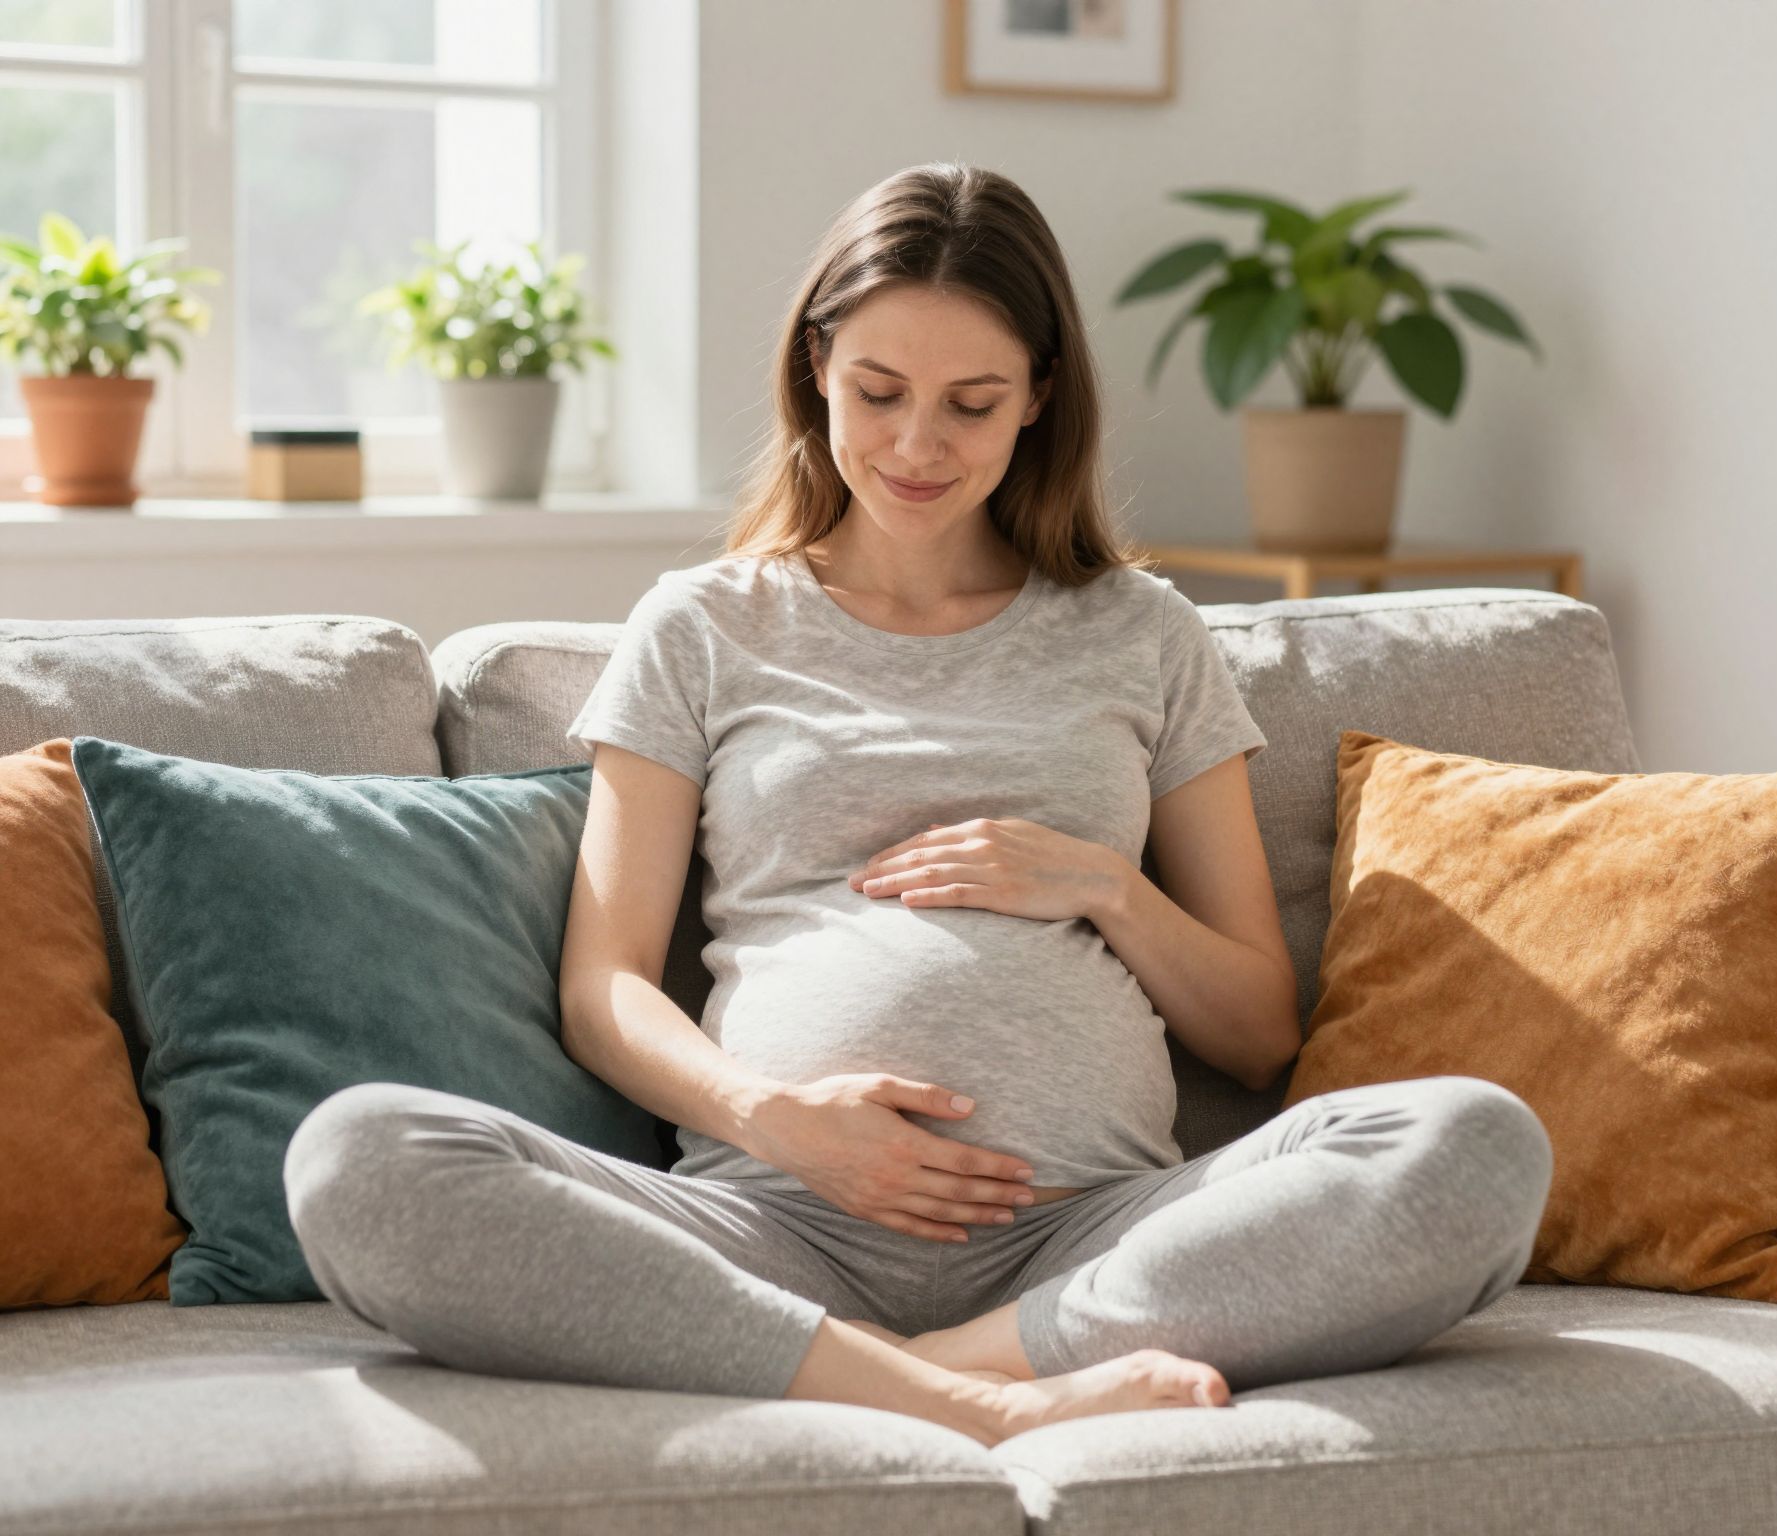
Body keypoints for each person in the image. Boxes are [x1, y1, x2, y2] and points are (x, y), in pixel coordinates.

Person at [281, 162, 1553, 1449]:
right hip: (772, 1226)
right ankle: (976, 1402)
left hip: (1097, 1237)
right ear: (816, 369)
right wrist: (775, 1120)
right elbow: (601, 989)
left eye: (970, 404)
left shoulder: (1142, 633)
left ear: (1038, 396)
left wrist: (1104, 886)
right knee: (362, 1156)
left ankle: (901, 1371)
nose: (915, 446)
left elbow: (1259, 1032)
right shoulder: (703, 625)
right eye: (878, 393)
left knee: (1470, 1145)